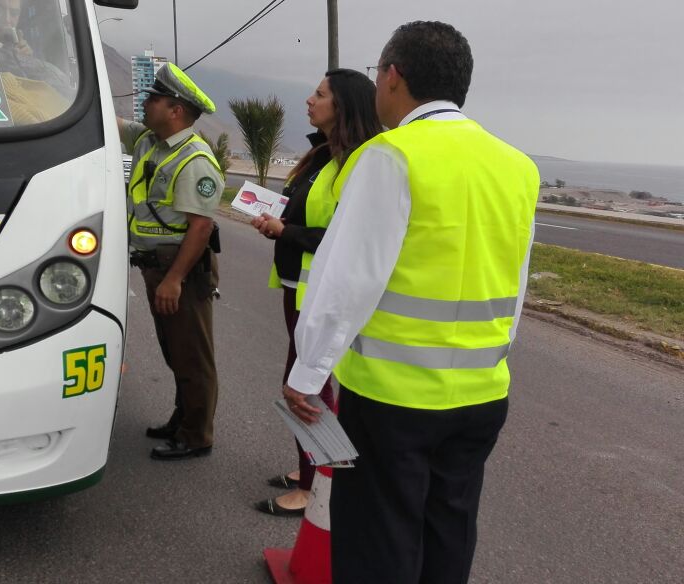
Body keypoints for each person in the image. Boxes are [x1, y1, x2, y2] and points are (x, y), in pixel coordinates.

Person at [282, 21, 539, 583]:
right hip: (481, 396)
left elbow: (346, 278)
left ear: (393, 76)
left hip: (393, 399)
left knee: (380, 541)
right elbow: (515, 285)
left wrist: (307, 374)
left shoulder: (392, 154)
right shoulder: (517, 166)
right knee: (448, 532)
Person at [250, 69, 381, 516]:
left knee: (306, 389)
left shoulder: (357, 163)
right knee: (305, 384)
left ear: (342, 106)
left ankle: (314, 488)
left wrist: (287, 230)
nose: (309, 100)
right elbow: (307, 221)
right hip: (297, 287)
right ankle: (310, 469)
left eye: (320, 94)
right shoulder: (324, 156)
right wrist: (278, 227)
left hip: (319, 295)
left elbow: (343, 238)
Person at [118, 63, 223, 461]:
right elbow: (110, 122)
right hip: (155, 265)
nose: (145, 104)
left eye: (154, 99)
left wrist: (174, 279)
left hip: (180, 268)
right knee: (175, 350)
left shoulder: (195, 158)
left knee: (193, 355)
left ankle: (197, 435)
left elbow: (199, 227)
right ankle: (182, 420)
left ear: (176, 110)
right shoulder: (149, 140)